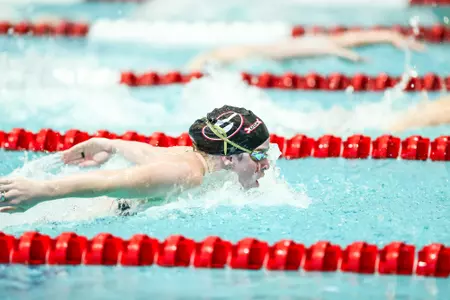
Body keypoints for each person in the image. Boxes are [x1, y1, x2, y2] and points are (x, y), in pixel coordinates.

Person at [0, 105, 271, 214]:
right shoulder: (186, 175)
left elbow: (149, 153)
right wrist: (39, 191)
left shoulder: (194, 158)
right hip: (71, 208)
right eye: (259, 155)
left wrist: (111, 144)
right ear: (229, 158)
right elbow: (111, 181)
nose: (266, 165)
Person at [187, 29, 426, 70]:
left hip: (287, 49)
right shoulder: (233, 52)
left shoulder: (235, 51)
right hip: (279, 51)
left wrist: (388, 36)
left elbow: (349, 38)